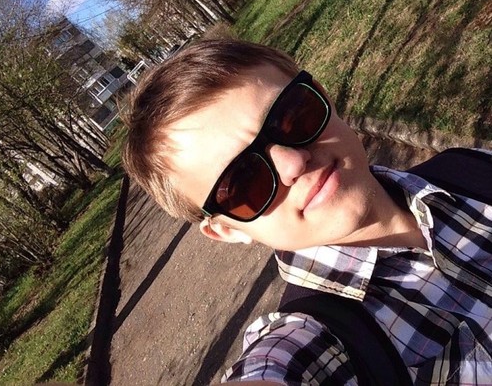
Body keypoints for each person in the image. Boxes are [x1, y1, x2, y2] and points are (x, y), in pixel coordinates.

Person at [122, 39, 492, 385]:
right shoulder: (309, 342)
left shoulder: (468, 166)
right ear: (228, 230)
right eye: (242, 181)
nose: (294, 163)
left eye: (291, 116)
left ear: (322, 95)